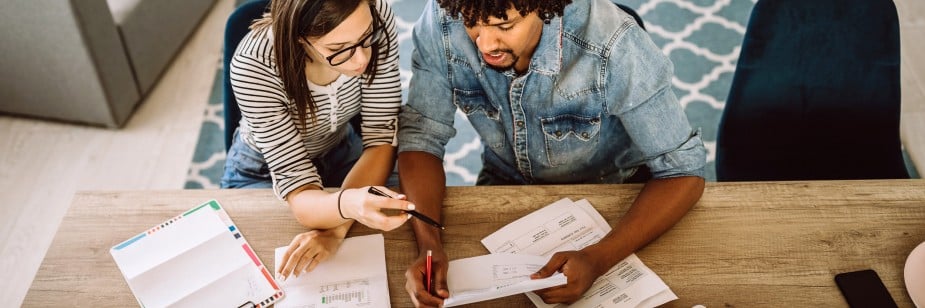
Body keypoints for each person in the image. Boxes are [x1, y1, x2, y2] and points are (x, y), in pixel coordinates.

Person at [396, 0, 707, 306]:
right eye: (472, 22)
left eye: (505, 25)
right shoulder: (444, 17)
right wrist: (429, 246)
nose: (485, 42)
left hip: (615, 192)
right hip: (503, 183)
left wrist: (598, 259)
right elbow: (421, 138)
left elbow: (683, 171)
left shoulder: (615, 43)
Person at [221, 0, 413, 280]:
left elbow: (381, 134)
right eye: (339, 50)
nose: (361, 60)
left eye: (366, 38)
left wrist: (336, 229)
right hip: (261, 169)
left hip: (341, 148)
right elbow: (299, 190)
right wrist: (349, 207)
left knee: (404, 222)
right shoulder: (253, 65)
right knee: (257, 266)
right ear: (299, 38)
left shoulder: (375, 12)